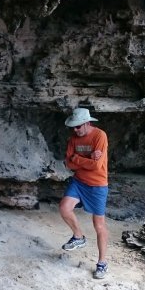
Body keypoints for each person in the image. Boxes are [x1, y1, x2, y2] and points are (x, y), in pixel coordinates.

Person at [59, 107, 110, 279]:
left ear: (87, 123)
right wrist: (86, 159)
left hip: (97, 185)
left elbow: (96, 166)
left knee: (99, 225)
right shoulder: (73, 139)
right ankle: (78, 236)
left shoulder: (100, 136)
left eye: (78, 126)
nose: (75, 129)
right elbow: (68, 164)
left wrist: (77, 159)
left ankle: (102, 263)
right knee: (64, 208)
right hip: (79, 181)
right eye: (73, 127)